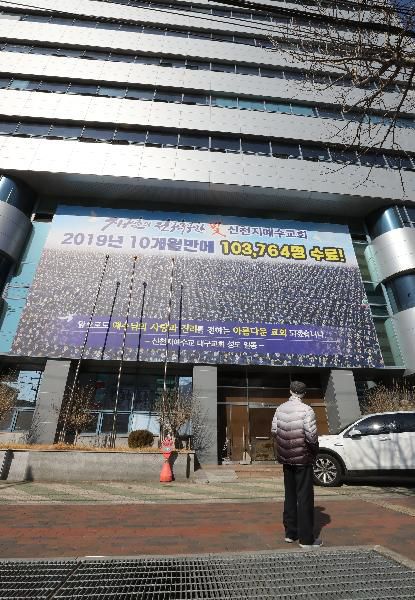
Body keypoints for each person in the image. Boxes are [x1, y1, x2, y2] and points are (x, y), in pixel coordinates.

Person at [271, 380, 322, 548]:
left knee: (290, 495)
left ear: (290, 391)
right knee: (304, 497)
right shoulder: (307, 410)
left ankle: (290, 533)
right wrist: (315, 452)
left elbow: (274, 431)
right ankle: (306, 539)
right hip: (303, 459)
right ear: (303, 393)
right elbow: (311, 436)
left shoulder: (280, 409)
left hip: (286, 459)